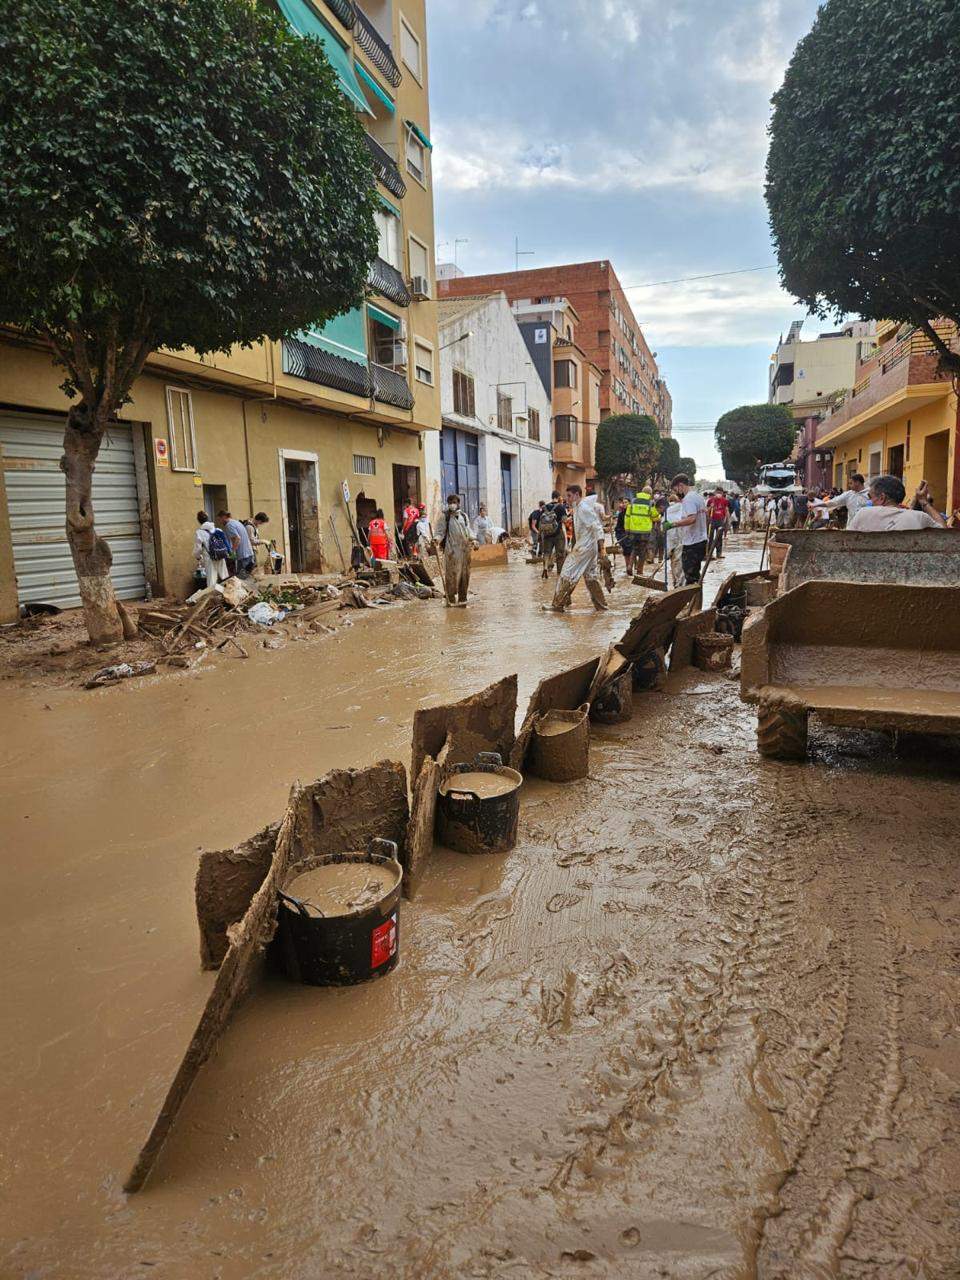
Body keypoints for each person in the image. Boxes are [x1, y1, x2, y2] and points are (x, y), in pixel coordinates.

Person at [546, 485, 607, 612]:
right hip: (587, 547)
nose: (566, 498)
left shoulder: (584, 508)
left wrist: (603, 549)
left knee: (567, 572)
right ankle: (602, 607)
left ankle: (558, 604)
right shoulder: (577, 506)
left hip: (585, 548)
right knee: (591, 577)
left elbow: (597, 527)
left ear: (577, 495)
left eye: (569, 496)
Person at [848, 475, 947, 530]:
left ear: (882, 497)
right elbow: (943, 530)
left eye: (870, 497)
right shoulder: (919, 517)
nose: (869, 501)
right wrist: (923, 501)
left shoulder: (863, 514)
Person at [662, 474, 708, 585]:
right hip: (701, 540)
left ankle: (691, 601)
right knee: (696, 576)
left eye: (675, 489)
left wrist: (673, 524)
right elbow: (705, 516)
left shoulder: (688, 499)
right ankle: (696, 601)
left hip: (692, 543)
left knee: (690, 577)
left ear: (681, 486)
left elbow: (692, 519)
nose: (676, 493)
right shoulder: (698, 497)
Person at [435, 492, 474, 605]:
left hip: (465, 551)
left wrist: (474, 540)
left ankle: (463, 599)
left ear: (458, 503)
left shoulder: (464, 516)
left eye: (454, 502)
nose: (452, 504)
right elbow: (440, 532)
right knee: (451, 575)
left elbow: (468, 531)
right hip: (451, 552)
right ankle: (451, 599)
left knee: (464, 575)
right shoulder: (445, 517)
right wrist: (436, 540)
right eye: (450, 503)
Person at [622, 486, 660, 575]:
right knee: (642, 551)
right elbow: (654, 517)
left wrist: (627, 529)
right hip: (644, 532)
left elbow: (627, 517)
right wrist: (659, 517)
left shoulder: (632, 501)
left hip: (633, 530)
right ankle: (639, 571)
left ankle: (629, 566)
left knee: (634, 548)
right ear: (650, 494)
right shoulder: (650, 503)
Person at [194, 511, 229, 588]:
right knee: (224, 577)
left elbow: (198, 548)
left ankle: (214, 597)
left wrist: (198, 556)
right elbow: (225, 541)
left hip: (209, 558)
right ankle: (229, 593)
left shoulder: (199, 532)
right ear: (208, 519)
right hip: (220, 554)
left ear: (199, 520)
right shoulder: (218, 530)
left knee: (211, 581)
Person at [538, 490, 568, 579]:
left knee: (546, 553)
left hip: (547, 534)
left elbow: (540, 523)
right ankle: (559, 573)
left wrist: (540, 535)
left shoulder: (544, 507)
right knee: (560, 554)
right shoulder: (561, 507)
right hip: (558, 534)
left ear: (552, 497)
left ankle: (545, 568)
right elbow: (564, 520)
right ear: (559, 497)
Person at [665, 490, 684, 587]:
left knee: (673, 562)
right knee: (679, 562)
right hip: (681, 538)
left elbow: (662, 527)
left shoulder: (666, 511)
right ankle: (679, 583)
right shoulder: (682, 509)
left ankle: (675, 581)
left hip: (669, 540)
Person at [706, 488, 729, 558]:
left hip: (721, 520)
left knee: (719, 537)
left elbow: (726, 510)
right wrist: (711, 507)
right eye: (718, 492)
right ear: (715, 492)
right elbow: (707, 511)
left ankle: (719, 553)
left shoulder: (725, 500)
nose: (719, 494)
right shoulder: (710, 500)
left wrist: (726, 519)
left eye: (720, 492)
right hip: (712, 520)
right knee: (710, 537)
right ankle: (710, 553)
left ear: (722, 493)